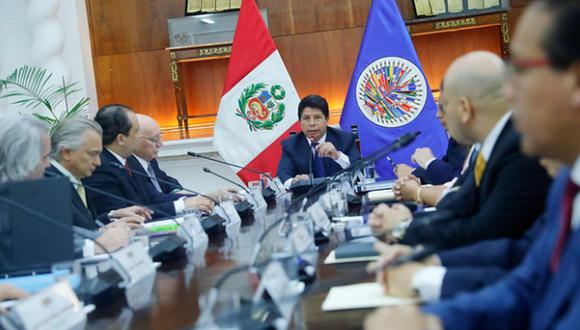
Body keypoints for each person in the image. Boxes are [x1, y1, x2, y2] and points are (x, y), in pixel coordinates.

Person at [365, 0, 580, 328]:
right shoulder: (568, 181)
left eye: (519, 69)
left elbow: (492, 232)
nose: (507, 91)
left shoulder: (537, 161)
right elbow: (529, 279)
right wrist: (432, 320)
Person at [369, 51, 552, 250]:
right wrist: (408, 224)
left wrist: (400, 230)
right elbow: (459, 202)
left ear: (464, 108)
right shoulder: (489, 144)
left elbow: (483, 230)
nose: (439, 116)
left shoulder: (520, 148)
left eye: (444, 106)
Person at [0, 113, 133, 256]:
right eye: (44, 158)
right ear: (22, 160)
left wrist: (97, 236)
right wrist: (91, 246)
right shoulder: (20, 193)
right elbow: (24, 245)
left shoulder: (20, 190)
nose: (48, 164)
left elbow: (59, 230)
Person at [83, 104, 214, 219]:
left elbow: (151, 199)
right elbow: (123, 216)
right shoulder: (100, 168)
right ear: (121, 139)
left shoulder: (128, 161)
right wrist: (182, 205)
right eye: (136, 131)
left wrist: (198, 199)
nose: (140, 136)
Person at [48, 117, 152, 230]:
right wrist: (100, 233)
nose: (98, 162)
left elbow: (86, 224)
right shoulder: (49, 186)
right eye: (93, 154)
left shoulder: (76, 179)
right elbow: (63, 237)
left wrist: (112, 216)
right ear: (66, 152)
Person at [277, 95, 361, 188]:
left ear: (327, 119)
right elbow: (284, 174)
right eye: (306, 118)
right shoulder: (291, 145)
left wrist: (338, 156)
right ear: (300, 122)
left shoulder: (345, 139)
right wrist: (294, 182)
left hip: (341, 197)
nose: (312, 123)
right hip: (306, 199)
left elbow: (359, 169)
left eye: (317, 117)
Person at [394, 83, 468, 185]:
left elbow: (456, 183)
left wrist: (429, 161)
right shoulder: (457, 138)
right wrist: (413, 173)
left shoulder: (477, 141)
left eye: (442, 108)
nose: (438, 115)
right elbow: (447, 167)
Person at [132, 114, 183, 194]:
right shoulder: (129, 167)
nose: (161, 144)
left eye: (160, 136)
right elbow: (153, 198)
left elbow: (164, 179)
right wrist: (184, 201)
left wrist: (176, 191)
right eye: (154, 139)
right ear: (136, 140)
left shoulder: (149, 159)